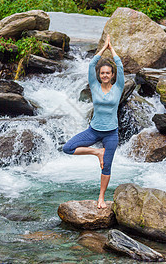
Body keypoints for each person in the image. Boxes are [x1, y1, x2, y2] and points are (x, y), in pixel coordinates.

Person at [63, 35, 125, 209]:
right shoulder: (94, 85)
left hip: (111, 133)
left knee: (107, 167)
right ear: (99, 75)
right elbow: (91, 65)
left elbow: (120, 66)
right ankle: (97, 152)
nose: (105, 75)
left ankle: (101, 198)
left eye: (108, 73)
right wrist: (102, 49)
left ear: (112, 75)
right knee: (67, 148)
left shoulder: (118, 87)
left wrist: (111, 49)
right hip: (94, 130)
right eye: (102, 73)